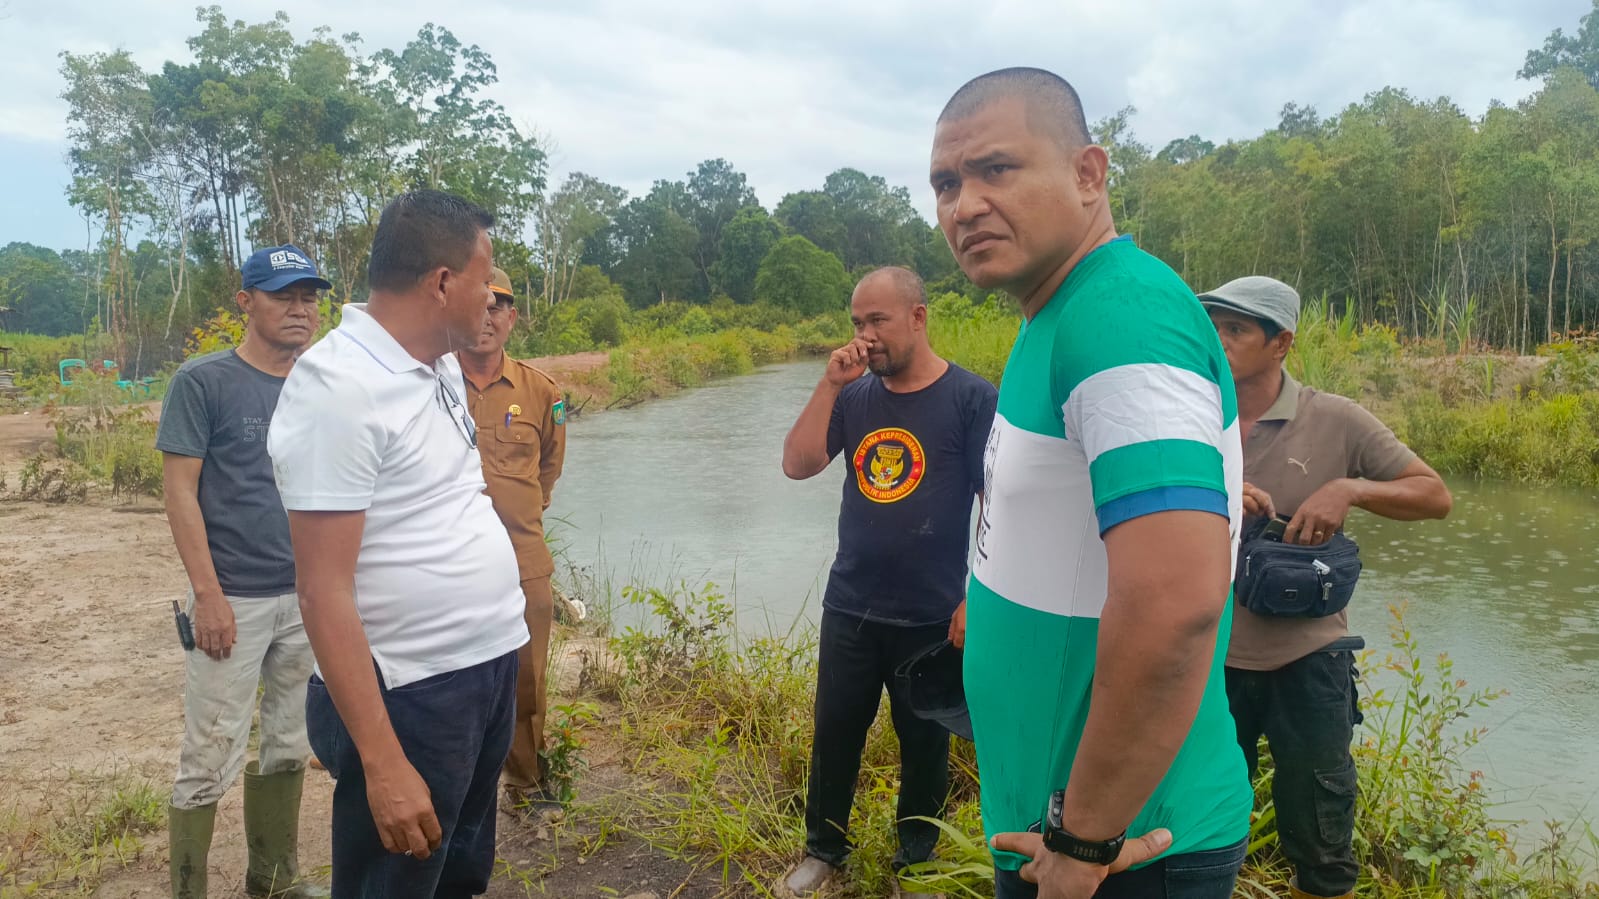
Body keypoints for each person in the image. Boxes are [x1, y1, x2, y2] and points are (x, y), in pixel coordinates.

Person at [930, 67, 1252, 899]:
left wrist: (1082, 838)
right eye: (944, 182)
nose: (963, 204)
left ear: (1087, 174)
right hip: (1071, 836)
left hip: (1125, 853)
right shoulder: (1057, 312)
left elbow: (1175, 601)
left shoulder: (1119, 316)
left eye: (994, 169)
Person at [268, 190, 528, 898]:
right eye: (486, 277)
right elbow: (322, 588)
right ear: (443, 282)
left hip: (483, 667)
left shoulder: (435, 361)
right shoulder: (339, 390)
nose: (493, 295)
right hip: (412, 692)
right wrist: (382, 762)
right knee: (394, 883)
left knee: (457, 873)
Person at [1200, 275, 1452, 899]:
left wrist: (1351, 489)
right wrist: (1221, 495)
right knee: (1196, 819)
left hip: (1307, 662)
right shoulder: (1191, 415)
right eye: (1213, 325)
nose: (1219, 339)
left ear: (1281, 342)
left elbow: (1433, 495)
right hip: (1203, 657)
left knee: (1321, 824)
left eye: (1235, 329)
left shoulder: (1334, 419)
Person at [778, 266, 996, 899]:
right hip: (851, 604)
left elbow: (1001, 505)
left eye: (878, 321)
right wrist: (828, 383)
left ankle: (917, 861)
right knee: (835, 732)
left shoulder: (971, 399)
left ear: (918, 317)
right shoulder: (853, 397)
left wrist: (975, 593)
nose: (865, 336)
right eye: (856, 323)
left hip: (933, 614)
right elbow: (797, 466)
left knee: (925, 745)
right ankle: (824, 850)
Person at [157, 244, 332, 899]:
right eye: (283, 294)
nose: (299, 308)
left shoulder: (318, 384)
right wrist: (208, 594)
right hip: (234, 598)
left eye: (309, 296)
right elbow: (180, 491)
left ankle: (274, 878)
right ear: (245, 302)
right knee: (208, 753)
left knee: (289, 740)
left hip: (308, 596)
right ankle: (188, 890)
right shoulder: (203, 382)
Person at [455, 266, 568, 816]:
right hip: (445, 561)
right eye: (480, 304)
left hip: (522, 558)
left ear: (512, 318)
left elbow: (548, 471)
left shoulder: (541, 392)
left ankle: (524, 781)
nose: (488, 317)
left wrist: (520, 515)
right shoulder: (430, 382)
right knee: (449, 676)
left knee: (526, 677)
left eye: (500, 306)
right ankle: (456, 782)